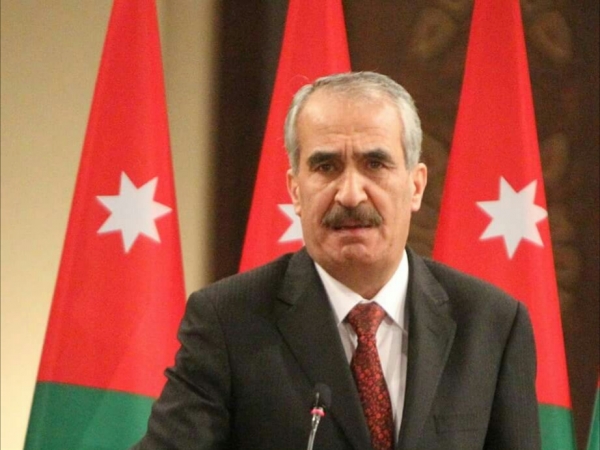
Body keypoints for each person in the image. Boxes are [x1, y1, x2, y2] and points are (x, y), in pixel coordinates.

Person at [132, 72, 541, 450]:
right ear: (295, 190)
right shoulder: (228, 321)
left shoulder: (492, 324)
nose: (350, 195)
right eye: (326, 167)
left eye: (374, 164)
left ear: (415, 186)